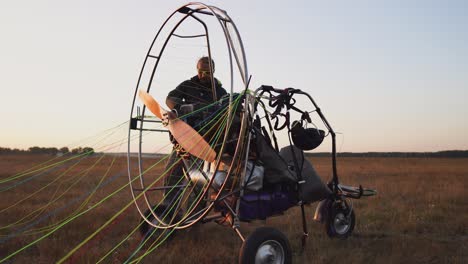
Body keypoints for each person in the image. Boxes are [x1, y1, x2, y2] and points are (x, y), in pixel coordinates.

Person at [163, 56, 227, 212]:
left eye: (207, 72)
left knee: (198, 181)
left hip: (204, 143)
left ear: (213, 71)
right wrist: (183, 108)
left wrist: (210, 110)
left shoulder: (220, 91)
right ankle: (170, 213)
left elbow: (226, 109)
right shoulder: (189, 84)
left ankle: (193, 217)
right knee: (172, 176)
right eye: (200, 71)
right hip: (183, 138)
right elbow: (170, 98)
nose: (203, 75)